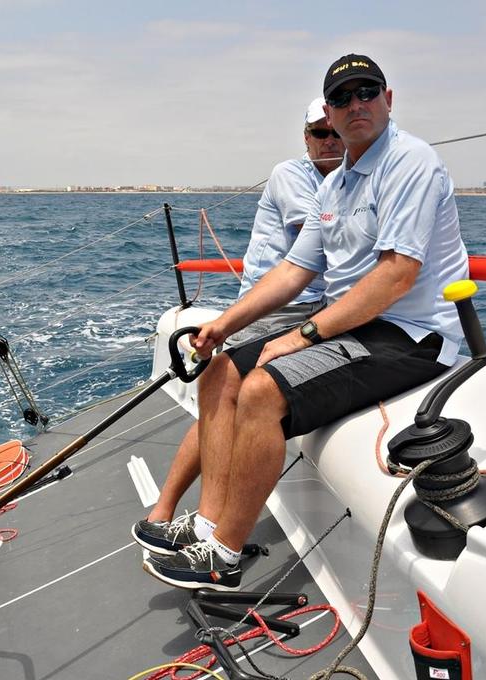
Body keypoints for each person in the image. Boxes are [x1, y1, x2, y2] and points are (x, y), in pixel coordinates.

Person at [143, 54, 469, 590]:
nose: (355, 105)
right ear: (328, 114)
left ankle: (223, 556)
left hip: (411, 336)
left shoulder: (410, 161)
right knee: (220, 372)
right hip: (355, 328)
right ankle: (206, 525)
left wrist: (304, 334)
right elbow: (296, 269)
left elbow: (395, 277)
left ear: (389, 100)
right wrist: (225, 324)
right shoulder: (336, 184)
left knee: (261, 392)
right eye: (342, 98)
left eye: (367, 92)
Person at [131, 97, 344, 555]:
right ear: (306, 138)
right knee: (223, 392)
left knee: (222, 401)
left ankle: (174, 517)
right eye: (320, 133)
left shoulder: (346, 184)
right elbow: (320, 235)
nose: (331, 141)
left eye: (337, 132)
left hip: (310, 307)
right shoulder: (293, 175)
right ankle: (190, 521)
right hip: (276, 310)